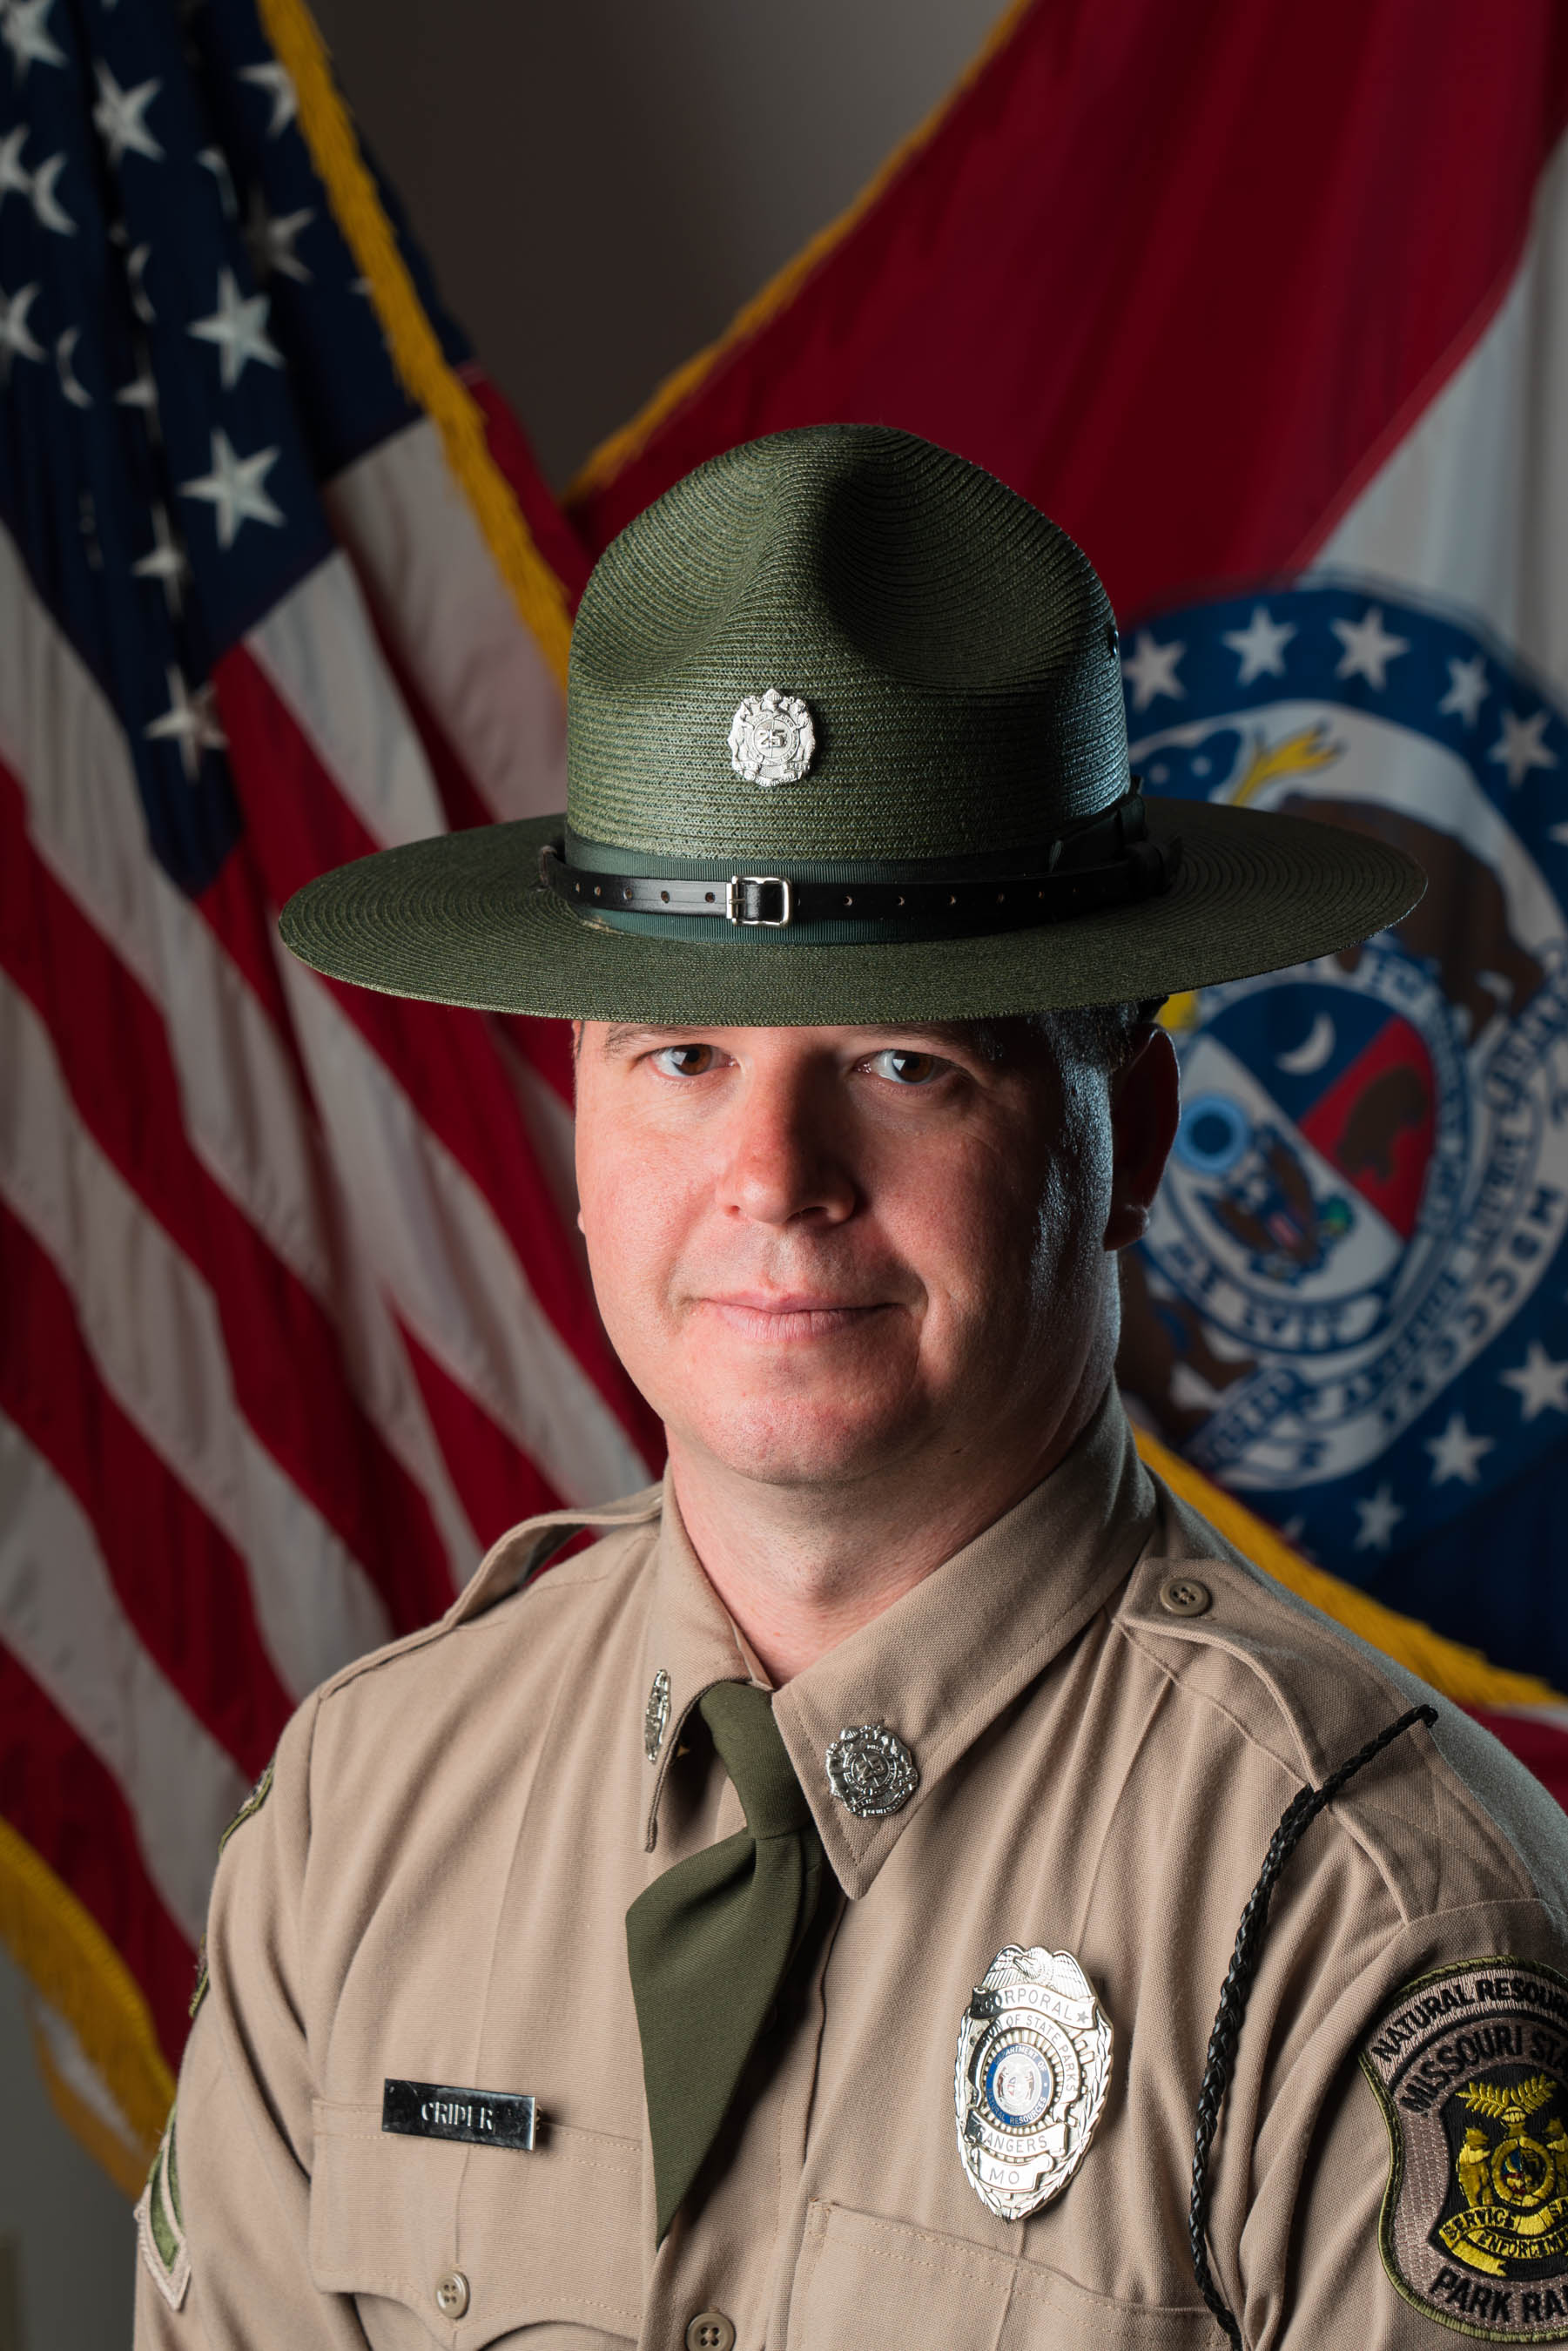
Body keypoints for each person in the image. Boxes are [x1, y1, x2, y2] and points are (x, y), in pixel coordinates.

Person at [134, 426, 1568, 2351]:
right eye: (679, 1059)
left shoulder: (1362, 1917)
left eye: (902, 1063)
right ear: (578, 1120)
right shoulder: (367, 1812)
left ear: (1121, 1131)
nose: (771, 1183)